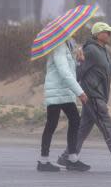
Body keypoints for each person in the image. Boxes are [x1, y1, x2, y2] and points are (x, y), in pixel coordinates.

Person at [59, 20, 111, 172]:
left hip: (98, 96)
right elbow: (78, 72)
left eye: (110, 31)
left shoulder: (104, 50)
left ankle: (67, 157)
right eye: (107, 32)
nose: (110, 34)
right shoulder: (90, 50)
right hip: (93, 96)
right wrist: (77, 83)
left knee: (82, 130)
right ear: (98, 34)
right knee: (107, 127)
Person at [38, 39, 91, 172]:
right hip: (56, 91)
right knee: (51, 124)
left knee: (75, 120)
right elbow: (64, 72)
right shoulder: (58, 47)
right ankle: (43, 161)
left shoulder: (68, 45)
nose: (71, 35)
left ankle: (72, 158)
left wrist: (79, 60)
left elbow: (71, 69)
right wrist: (79, 92)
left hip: (64, 92)